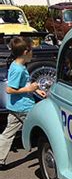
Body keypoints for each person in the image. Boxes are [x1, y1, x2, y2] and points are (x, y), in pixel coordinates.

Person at [0, 37, 46, 170]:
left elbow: (22, 85)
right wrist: (29, 89)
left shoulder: (17, 65)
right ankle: (47, 152)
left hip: (16, 106)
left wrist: (36, 90)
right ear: (26, 52)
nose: (33, 53)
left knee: (8, 133)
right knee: (43, 128)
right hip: (24, 107)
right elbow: (9, 89)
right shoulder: (18, 69)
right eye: (32, 50)